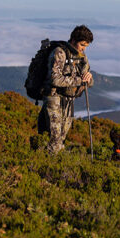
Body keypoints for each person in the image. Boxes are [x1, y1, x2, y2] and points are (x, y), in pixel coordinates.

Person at [37, 25, 94, 154]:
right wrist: (80, 80)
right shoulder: (59, 53)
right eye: (82, 44)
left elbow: (89, 82)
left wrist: (88, 79)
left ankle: (51, 161)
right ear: (73, 40)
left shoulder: (82, 57)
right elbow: (55, 79)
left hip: (68, 100)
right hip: (53, 98)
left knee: (61, 137)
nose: (84, 48)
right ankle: (48, 166)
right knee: (54, 137)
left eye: (86, 46)